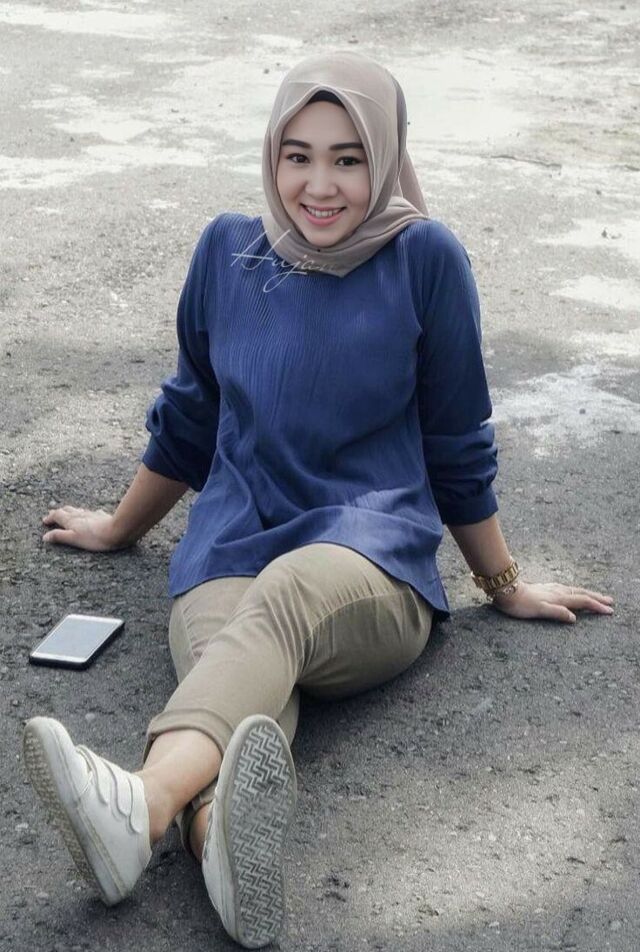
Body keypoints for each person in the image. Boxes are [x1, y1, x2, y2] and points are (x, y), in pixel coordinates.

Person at [23, 50, 615, 950]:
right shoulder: (226, 251)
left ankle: (137, 800)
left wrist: (503, 584)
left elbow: (458, 441)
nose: (320, 185)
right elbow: (190, 419)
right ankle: (210, 839)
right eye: (297, 156)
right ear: (272, 155)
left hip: (369, 563)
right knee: (234, 668)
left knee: (285, 598)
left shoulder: (425, 258)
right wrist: (118, 527)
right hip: (230, 548)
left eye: (349, 158)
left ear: (387, 156)